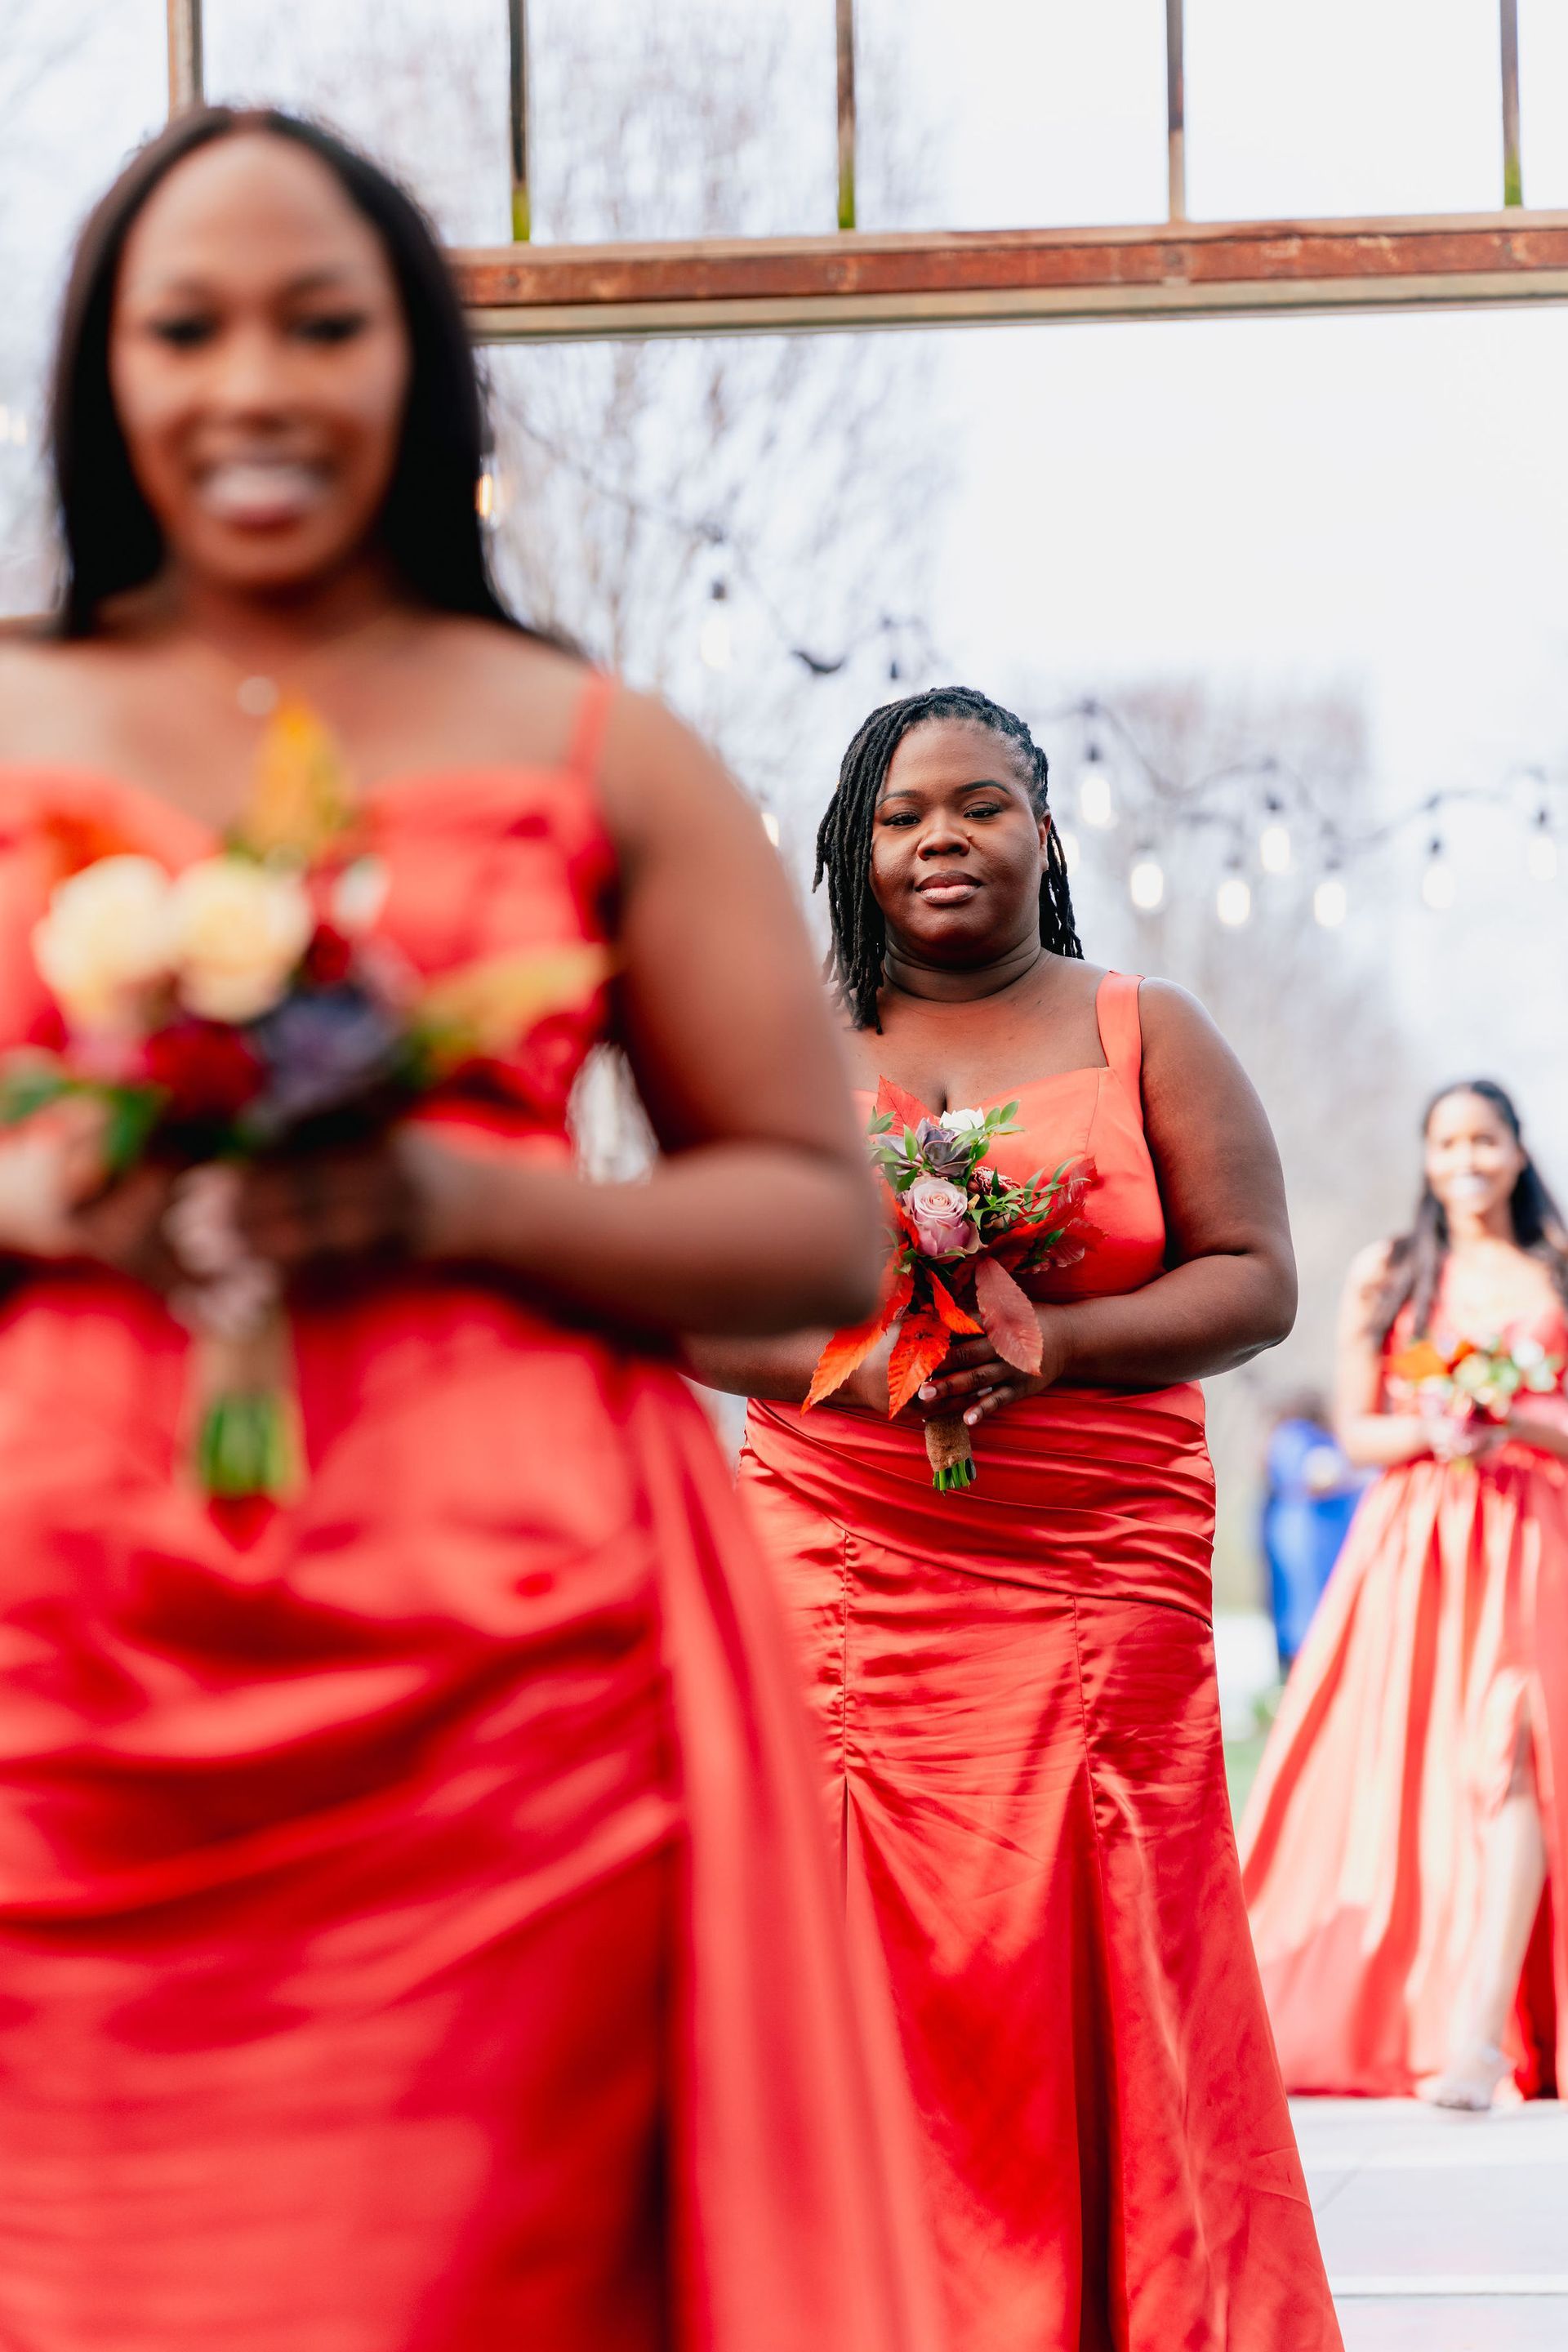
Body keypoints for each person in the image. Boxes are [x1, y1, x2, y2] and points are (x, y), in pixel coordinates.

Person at [0, 109, 942, 2351]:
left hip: (510, 1711)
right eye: (189, 325)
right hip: (50, 1687)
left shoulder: (595, 745)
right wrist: (49, 1190)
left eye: (324, 325)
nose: (257, 384)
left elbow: (820, 1241)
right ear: (100, 370)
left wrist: (452, 1191)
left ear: (415, 367)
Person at [688, 687, 1342, 2352]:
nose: (943, 841)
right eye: (906, 817)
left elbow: (1256, 1282)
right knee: (828, 1919)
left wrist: (1057, 1349)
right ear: (857, 848)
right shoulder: (790, 1050)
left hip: (1093, 1551)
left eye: (981, 806)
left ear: (1045, 833)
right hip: (842, 1551)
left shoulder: (1148, 1029)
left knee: (1112, 1903)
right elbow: (700, 1302)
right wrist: (883, 1364)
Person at [1241, 1080, 1568, 2111]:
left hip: (1532, 1539)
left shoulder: (1557, 1270)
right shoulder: (1391, 1273)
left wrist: (1508, 1418)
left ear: (1517, 1152)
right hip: (1423, 1543)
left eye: (1485, 1140)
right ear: (1426, 1158)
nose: (1466, 1159)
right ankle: (1428, 2012)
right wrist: (1440, 1429)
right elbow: (1356, 1430)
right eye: (1446, 1142)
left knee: (1516, 1752)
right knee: (1427, 1770)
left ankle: (1477, 2038)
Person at [1260, 1390, 1365, 1672]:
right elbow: (1318, 1476)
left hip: (1325, 1542)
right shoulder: (1295, 1435)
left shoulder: (1319, 1437)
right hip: (1307, 1545)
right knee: (1307, 1619)